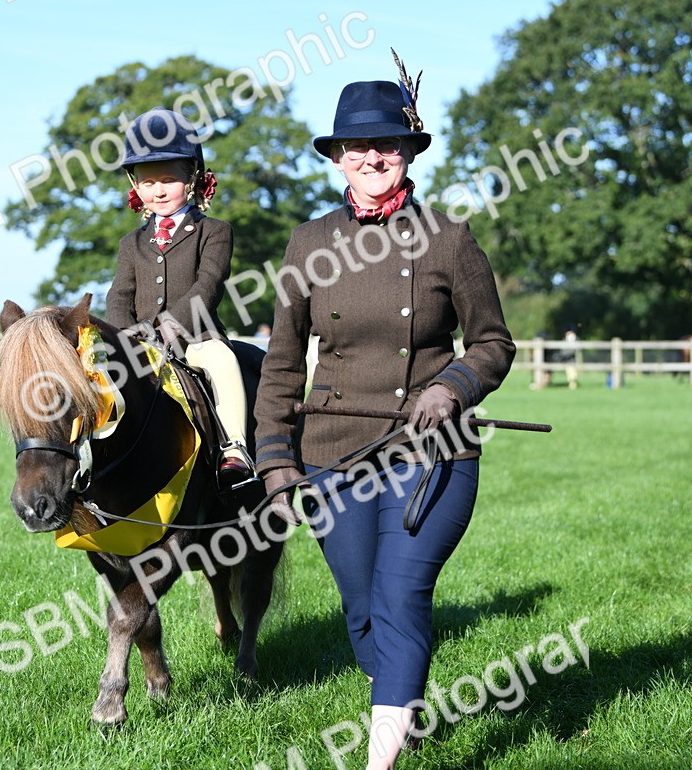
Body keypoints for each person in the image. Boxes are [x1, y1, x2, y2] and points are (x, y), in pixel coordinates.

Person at [253, 62, 516, 768]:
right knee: (364, 608)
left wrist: (452, 387)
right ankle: (403, 706)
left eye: (387, 145)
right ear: (338, 156)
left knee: (401, 596)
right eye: (357, 146)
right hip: (333, 455)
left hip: (430, 453)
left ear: (408, 152)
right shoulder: (308, 243)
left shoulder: (448, 238)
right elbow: (282, 363)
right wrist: (276, 463)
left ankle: (379, 757)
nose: (373, 157)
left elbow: (493, 343)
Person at [104, 107, 253, 487]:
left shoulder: (214, 231)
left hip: (196, 339)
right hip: (140, 344)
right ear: (135, 186)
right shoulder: (131, 243)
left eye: (168, 180)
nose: (157, 191)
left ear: (192, 179)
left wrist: (168, 329)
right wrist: (125, 335)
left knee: (222, 361)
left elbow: (209, 285)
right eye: (148, 182)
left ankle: (234, 448)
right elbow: (120, 293)